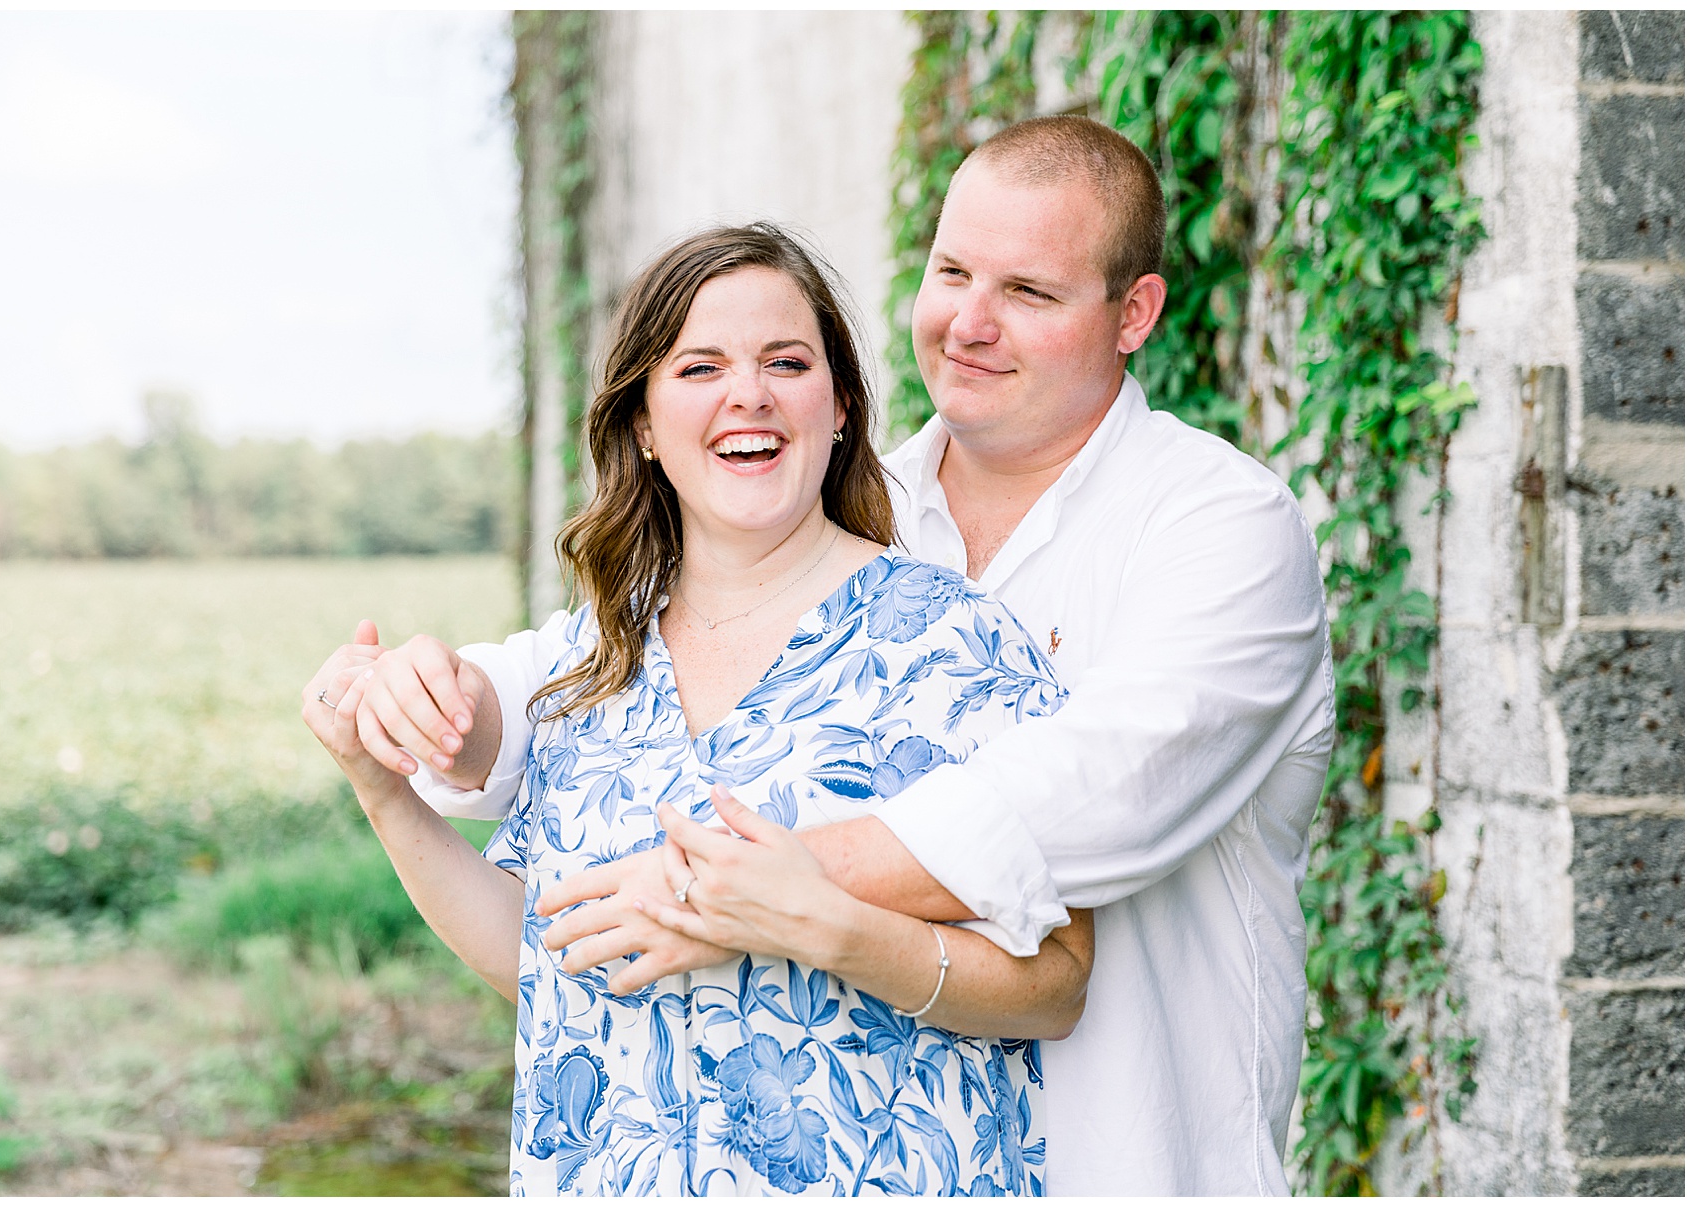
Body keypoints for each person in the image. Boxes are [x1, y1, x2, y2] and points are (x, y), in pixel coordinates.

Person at [372, 115, 1336, 1196]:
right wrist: (433, 699)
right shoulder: (838, 518)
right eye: (952, 272)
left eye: (1028, 292)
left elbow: (1096, 788)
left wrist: (728, 884)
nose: (970, 323)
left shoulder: (1217, 526)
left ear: (1134, 314)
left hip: (1135, 1159)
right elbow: (590, 682)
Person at [303, 222, 1095, 1196]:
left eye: (786, 362)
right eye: (700, 367)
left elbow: (1057, 983)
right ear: (643, 421)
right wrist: (382, 790)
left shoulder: (958, 647)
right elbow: (551, 962)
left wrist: (819, 924)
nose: (747, 393)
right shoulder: (590, 661)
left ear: (840, 406)